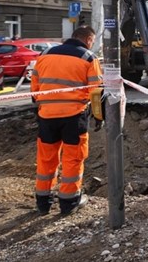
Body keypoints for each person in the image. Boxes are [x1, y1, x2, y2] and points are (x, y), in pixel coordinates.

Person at [30, 26, 103, 216]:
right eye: (92, 41)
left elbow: (35, 88)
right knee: (73, 158)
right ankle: (69, 202)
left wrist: (45, 106)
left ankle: (43, 202)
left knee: (46, 159)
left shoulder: (45, 54)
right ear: (88, 39)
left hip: (46, 116)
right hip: (73, 117)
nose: (92, 44)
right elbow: (96, 92)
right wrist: (99, 116)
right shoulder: (88, 58)